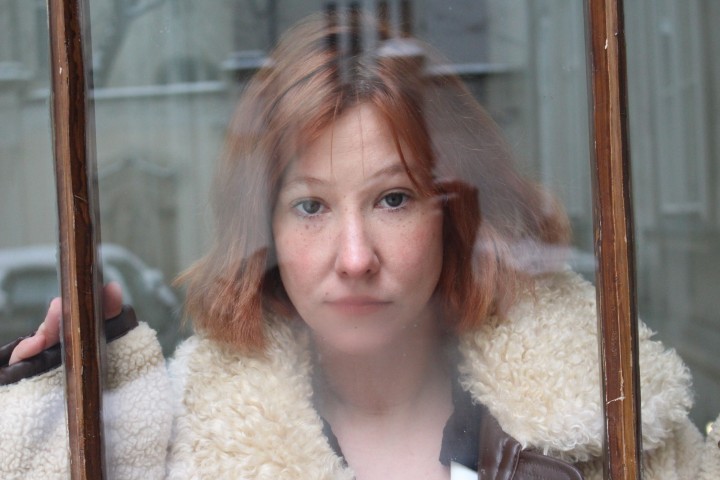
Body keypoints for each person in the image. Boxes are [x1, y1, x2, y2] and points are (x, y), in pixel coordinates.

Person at [2, 10, 719, 480]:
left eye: (393, 199)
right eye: (311, 206)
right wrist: (63, 442)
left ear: (454, 214)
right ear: (264, 230)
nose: (354, 258)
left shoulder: (613, 413)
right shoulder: (182, 444)